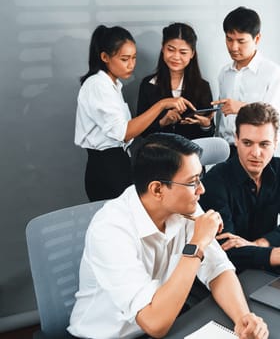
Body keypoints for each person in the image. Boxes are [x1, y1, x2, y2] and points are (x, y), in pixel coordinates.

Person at [67, 133, 268, 339]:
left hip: (166, 322)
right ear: (157, 189)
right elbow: (154, 324)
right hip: (107, 335)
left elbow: (218, 269)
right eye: (193, 182)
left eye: (200, 178)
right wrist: (197, 243)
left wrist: (243, 317)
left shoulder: (183, 205)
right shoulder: (110, 231)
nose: (202, 189)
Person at [200, 103, 280, 273]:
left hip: (266, 268)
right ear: (236, 139)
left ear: (275, 143)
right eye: (247, 143)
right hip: (231, 274)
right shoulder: (214, 182)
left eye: (264, 144)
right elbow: (227, 250)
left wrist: (260, 243)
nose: (256, 153)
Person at [75, 25, 194, 202]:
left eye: (134, 58)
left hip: (118, 162)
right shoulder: (97, 85)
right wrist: (162, 105)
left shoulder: (113, 85)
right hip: (106, 167)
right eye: (125, 59)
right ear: (105, 57)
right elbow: (124, 132)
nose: (131, 64)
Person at [212, 6, 280, 156]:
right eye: (229, 39)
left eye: (241, 41)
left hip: (255, 152)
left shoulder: (272, 73)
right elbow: (222, 120)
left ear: (257, 38)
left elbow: (277, 120)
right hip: (225, 151)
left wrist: (241, 107)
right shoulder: (224, 73)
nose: (234, 47)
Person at [137, 23, 216, 140]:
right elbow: (142, 131)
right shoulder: (148, 84)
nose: (176, 57)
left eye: (183, 52)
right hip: (158, 154)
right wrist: (163, 122)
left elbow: (209, 134)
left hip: (191, 154)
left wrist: (206, 125)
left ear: (192, 54)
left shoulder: (202, 86)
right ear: (163, 48)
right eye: (171, 50)